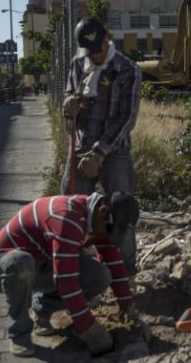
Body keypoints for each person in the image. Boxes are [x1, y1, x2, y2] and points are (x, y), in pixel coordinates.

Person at [0, 191, 144, 357]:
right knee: (21, 264)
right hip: (4, 263)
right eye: (109, 230)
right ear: (103, 211)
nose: (108, 235)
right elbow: (66, 281)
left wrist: (127, 308)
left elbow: (114, 264)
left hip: (43, 261)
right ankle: (19, 335)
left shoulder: (100, 221)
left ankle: (41, 309)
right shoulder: (67, 219)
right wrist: (87, 328)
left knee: (100, 276)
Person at [61, 17, 142, 277]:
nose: (94, 56)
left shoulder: (129, 69)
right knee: (71, 212)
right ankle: (76, 272)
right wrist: (68, 106)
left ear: (107, 37)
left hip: (114, 152)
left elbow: (127, 118)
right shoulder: (77, 65)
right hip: (80, 149)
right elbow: (69, 98)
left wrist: (99, 153)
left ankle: (126, 274)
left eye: (98, 49)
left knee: (121, 212)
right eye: (90, 51)